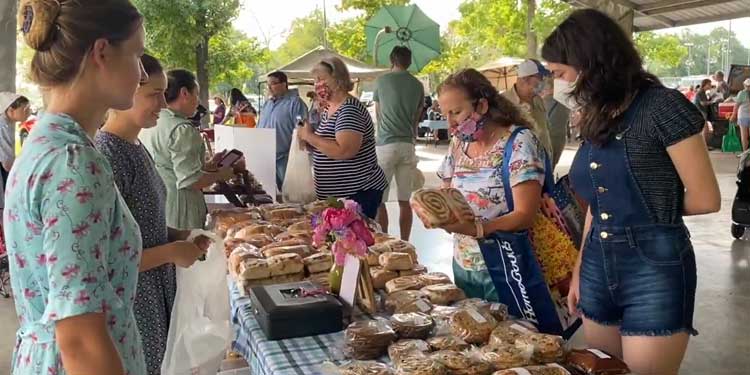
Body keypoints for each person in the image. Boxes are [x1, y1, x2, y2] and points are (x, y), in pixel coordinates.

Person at [542, 9, 720, 375]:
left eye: (559, 73)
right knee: (603, 370)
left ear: (588, 61)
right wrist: (578, 270)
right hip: (595, 266)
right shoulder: (597, 114)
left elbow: (705, 198)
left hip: (653, 267)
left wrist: (642, 204)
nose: (556, 84)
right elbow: (596, 203)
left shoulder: (663, 108)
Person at [6, 1, 149, 374]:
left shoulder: (45, 144)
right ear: (102, 52)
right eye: (137, 56)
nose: (142, 74)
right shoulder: (74, 164)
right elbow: (81, 341)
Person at [95, 54, 208, 375]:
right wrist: (172, 251)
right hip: (135, 300)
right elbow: (108, 258)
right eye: (153, 94)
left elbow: (141, 224)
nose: (162, 102)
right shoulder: (108, 154)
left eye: (163, 92)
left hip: (154, 290)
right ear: (123, 92)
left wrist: (179, 236)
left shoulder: (135, 145)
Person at [436, 68, 546, 300]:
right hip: (464, 261)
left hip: (508, 266)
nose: (451, 123)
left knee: (514, 333)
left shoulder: (518, 142)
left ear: (482, 106)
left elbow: (525, 214)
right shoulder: (457, 144)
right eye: (444, 114)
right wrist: (438, 212)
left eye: (456, 112)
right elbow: (447, 191)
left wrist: (479, 229)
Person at [140, 69, 235, 230]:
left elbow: (170, 165)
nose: (198, 101)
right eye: (196, 94)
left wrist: (207, 166)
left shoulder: (151, 122)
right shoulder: (182, 129)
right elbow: (190, 180)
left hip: (158, 204)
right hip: (181, 211)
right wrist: (222, 174)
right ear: (184, 93)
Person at [298, 57, 387, 219]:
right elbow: (327, 143)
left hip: (357, 194)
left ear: (338, 79)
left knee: (354, 241)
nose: (317, 84)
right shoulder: (329, 108)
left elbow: (344, 150)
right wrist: (310, 141)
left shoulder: (349, 110)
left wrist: (310, 137)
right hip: (338, 196)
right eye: (315, 80)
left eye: (321, 79)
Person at [374, 46, 424, 241]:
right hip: (407, 145)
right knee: (405, 200)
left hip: (386, 144)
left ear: (391, 60)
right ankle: (405, 242)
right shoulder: (417, 85)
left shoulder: (381, 81)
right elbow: (416, 119)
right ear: (409, 62)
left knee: (380, 199)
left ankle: (385, 240)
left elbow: (378, 113)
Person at [258, 71, 309, 192]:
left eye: (273, 84)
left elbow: (302, 128)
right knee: (272, 195)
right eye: (268, 84)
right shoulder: (267, 104)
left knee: (291, 194)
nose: (269, 87)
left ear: (284, 84)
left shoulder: (295, 103)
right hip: (267, 157)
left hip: (286, 158)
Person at [503, 59, 554, 157]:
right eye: (540, 77)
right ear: (525, 78)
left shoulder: (538, 100)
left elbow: (545, 130)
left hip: (545, 161)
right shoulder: (503, 102)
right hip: (521, 164)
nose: (543, 80)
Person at [0, 93, 30, 190]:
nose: (28, 112)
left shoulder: (5, 124)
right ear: (11, 111)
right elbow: (7, 162)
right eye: (24, 109)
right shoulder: (2, 126)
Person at [542, 78, 570, 168]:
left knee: (546, 167)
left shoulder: (543, 101)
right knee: (552, 166)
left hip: (547, 138)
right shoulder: (565, 100)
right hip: (560, 137)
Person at [731, 78, 750, 150]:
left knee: (744, 136)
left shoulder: (742, 93)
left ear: (745, 85)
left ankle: (745, 152)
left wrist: (733, 115)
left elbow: (736, 105)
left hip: (743, 116)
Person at [694, 78, 713, 144]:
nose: (710, 86)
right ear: (705, 85)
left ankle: (704, 144)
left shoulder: (703, 92)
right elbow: (702, 103)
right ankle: (704, 145)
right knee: (705, 129)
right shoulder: (700, 92)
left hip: (702, 112)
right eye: (709, 84)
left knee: (705, 129)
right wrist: (711, 102)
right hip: (700, 112)